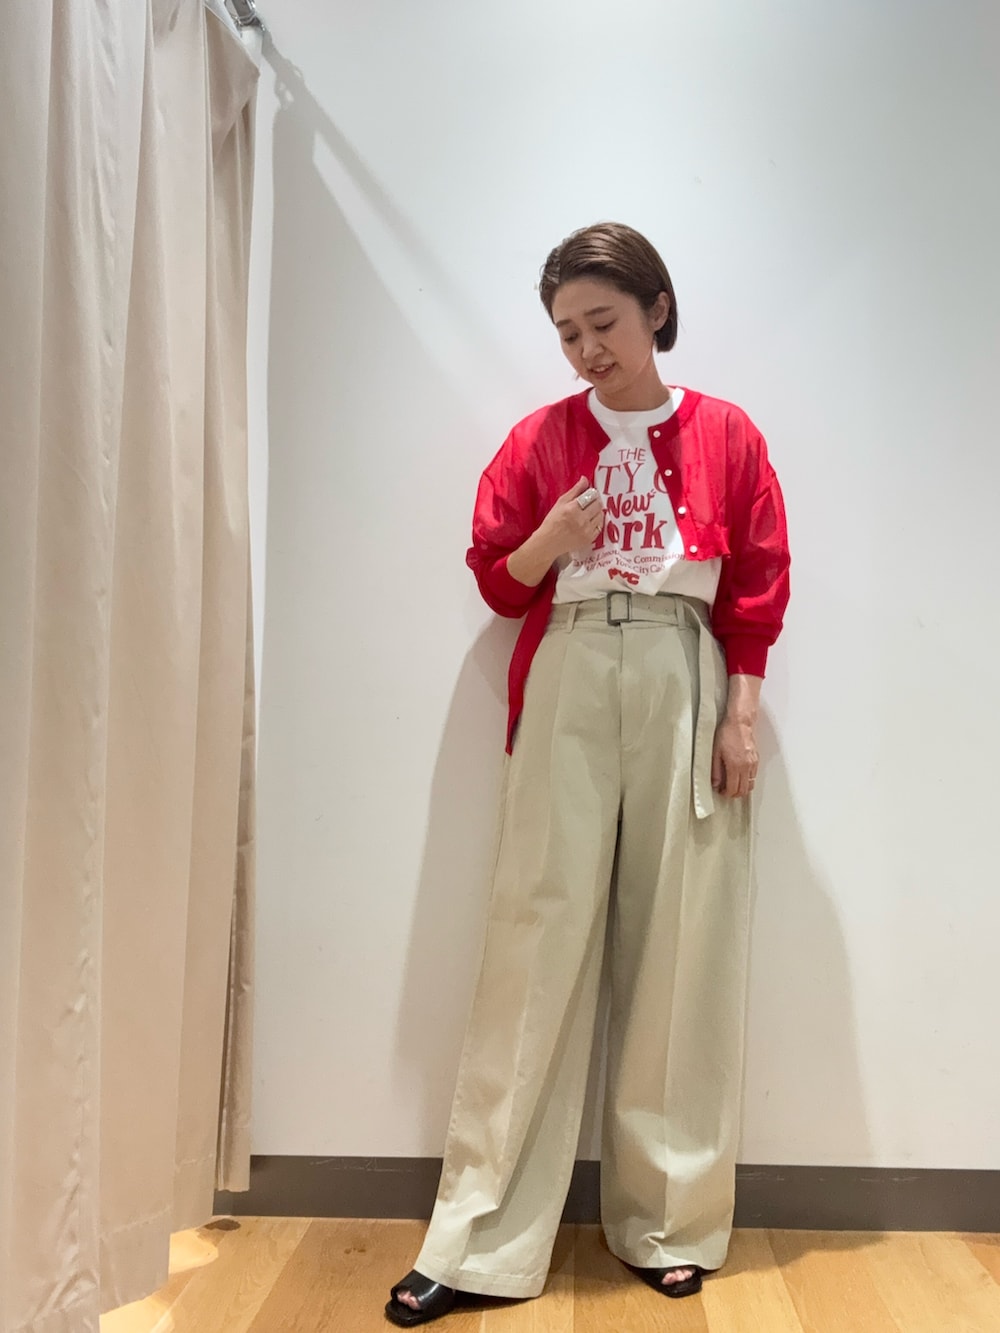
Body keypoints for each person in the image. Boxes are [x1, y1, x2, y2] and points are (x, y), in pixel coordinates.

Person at [385, 222, 790, 1327]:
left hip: (681, 669)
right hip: (566, 664)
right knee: (534, 941)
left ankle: (669, 1220)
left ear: (656, 309)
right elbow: (498, 579)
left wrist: (739, 718)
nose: (585, 349)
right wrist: (553, 538)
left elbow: (756, 585)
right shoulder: (538, 440)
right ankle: (477, 1236)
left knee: (681, 946)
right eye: (566, 332)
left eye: (602, 322)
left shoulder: (729, 434)